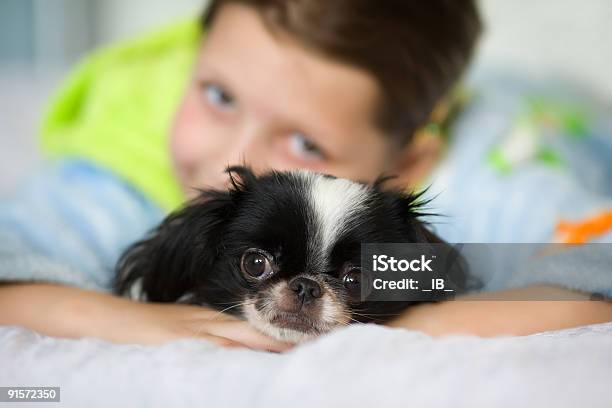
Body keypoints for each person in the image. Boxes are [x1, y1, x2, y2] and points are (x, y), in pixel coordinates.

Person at [1, 0, 611, 351]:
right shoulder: (123, 160)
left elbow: (596, 272)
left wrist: (417, 322)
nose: (229, 155)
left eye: (303, 141)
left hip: (550, 114)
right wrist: (137, 319)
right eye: (218, 94)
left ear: (402, 166)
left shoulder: (490, 171)